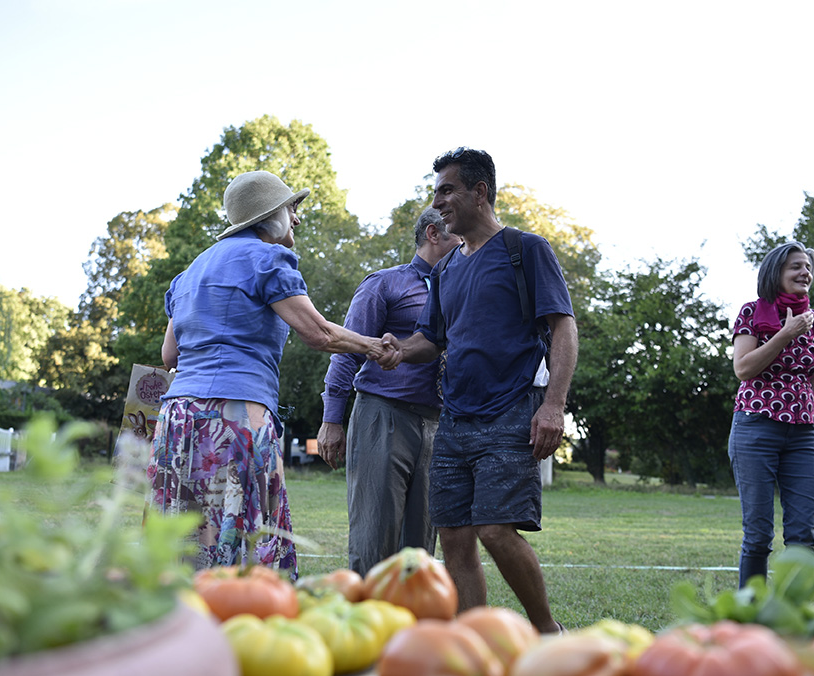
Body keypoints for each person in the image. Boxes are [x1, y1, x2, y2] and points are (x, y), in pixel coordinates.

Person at [147, 170, 386, 577]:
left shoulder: (191, 271)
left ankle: (182, 628)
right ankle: (244, 625)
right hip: (234, 414)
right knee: (246, 532)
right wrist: (375, 347)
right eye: (292, 208)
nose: (297, 218)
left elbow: (170, 355)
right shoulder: (268, 258)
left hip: (177, 418)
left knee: (185, 539)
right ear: (269, 215)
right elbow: (318, 333)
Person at [378, 147, 578, 633]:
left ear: (479, 191)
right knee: (454, 538)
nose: (438, 201)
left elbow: (563, 328)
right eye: (437, 191)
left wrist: (553, 406)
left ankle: (547, 631)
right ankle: (475, 641)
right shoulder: (447, 269)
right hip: (455, 419)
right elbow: (431, 339)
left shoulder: (525, 249)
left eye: (447, 190)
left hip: (511, 410)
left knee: (495, 530)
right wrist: (400, 351)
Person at [317, 207, 461, 576]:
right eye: (456, 236)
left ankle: (411, 629)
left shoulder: (464, 288)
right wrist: (332, 419)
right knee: (373, 538)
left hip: (438, 423)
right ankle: (366, 625)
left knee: (420, 549)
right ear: (433, 233)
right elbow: (347, 351)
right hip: (383, 415)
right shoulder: (385, 284)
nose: (464, 242)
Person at [728, 241, 814, 588]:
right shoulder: (752, 313)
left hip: (803, 435)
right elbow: (743, 369)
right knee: (758, 535)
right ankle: (750, 618)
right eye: (796, 267)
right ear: (776, 273)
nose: (805, 273)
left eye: (807, 267)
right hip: (755, 429)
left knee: (803, 536)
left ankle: (794, 617)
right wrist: (784, 334)